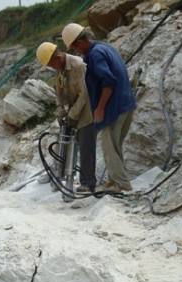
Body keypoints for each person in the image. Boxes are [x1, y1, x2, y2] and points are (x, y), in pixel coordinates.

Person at [62, 23, 136, 192]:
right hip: (126, 104)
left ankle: (121, 184)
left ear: (79, 42)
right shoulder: (104, 47)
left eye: (75, 48)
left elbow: (108, 82)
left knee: (108, 146)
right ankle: (113, 180)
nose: (76, 52)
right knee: (115, 146)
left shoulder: (95, 55)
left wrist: (100, 108)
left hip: (115, 107)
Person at [36, 42, 97, 192]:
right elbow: (59, 90)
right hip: (72, 110)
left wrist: (72, 115)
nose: (51, 68)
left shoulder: (77, 66)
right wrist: (60, 108)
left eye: (51, 64)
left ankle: (88, 183)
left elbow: (85, 94)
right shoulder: (61, 68)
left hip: (87, 111)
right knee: (66, 143)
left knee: (85, 147)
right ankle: (61, 175)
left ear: (57, 57)